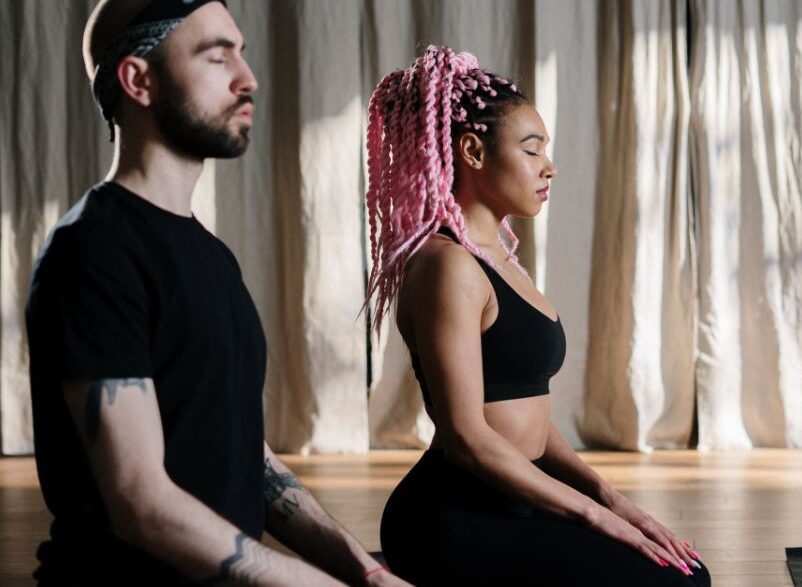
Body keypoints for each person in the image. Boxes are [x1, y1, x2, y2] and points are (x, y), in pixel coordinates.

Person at [25, 1, 411, 585]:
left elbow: (245, 456)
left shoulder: (210, 255)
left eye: (242, 52)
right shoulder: (94, 252)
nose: (247, 77)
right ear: (138, 80)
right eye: (216, 55)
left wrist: (363, 571)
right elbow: (142, 506)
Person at [366, 46, 711, 587]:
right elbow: (466, 437)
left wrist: (613, 499)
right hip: (454, 516)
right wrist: (596, 518)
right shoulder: (447, 266)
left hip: (519, 495)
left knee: (687, 574)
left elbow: (526, 414)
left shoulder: (499, 257)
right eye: (531, 150)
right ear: (474, 151)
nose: (548, 166)